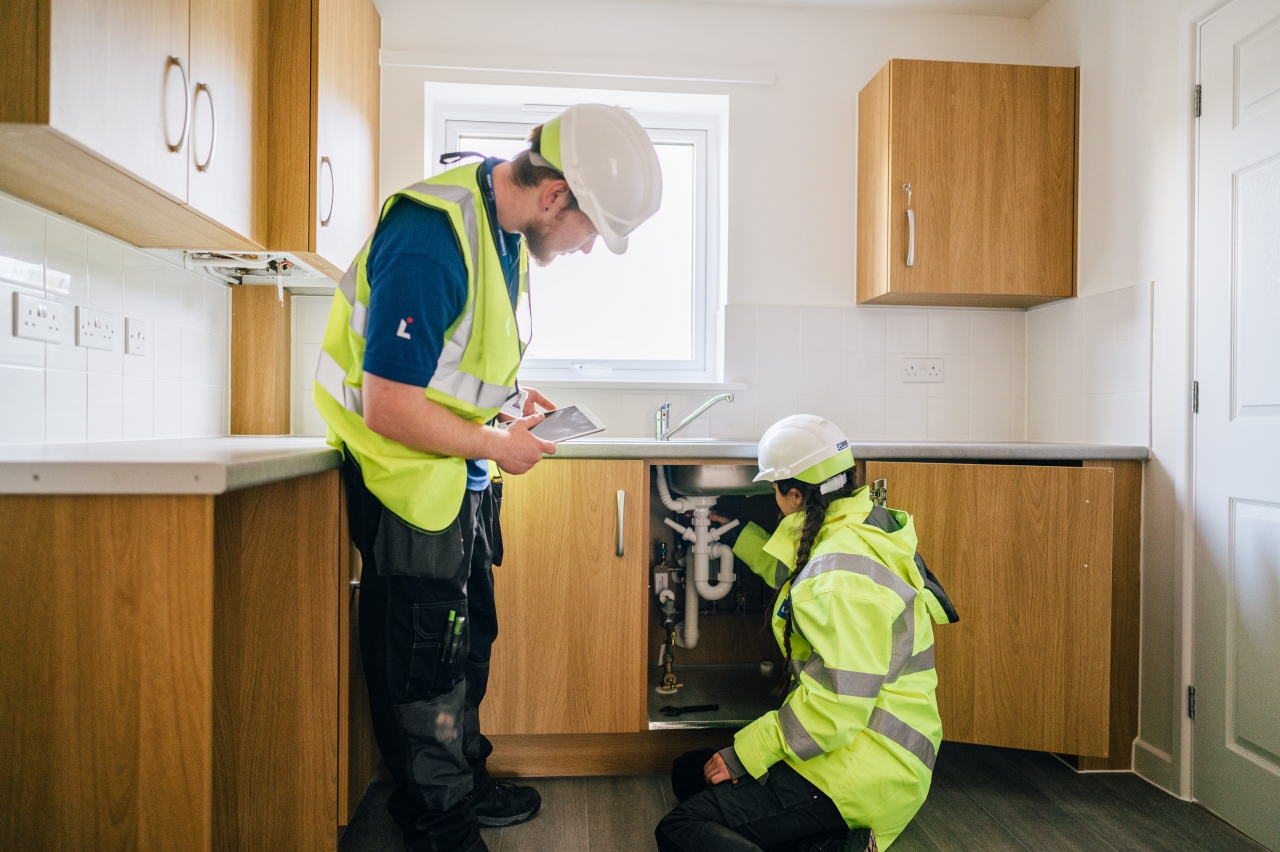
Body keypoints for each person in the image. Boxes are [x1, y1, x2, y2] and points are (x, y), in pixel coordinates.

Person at [314, 104, 663, 852]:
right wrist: (499, 446)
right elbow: (389, 405)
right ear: (556, 195)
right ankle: (438, 824)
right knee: (426, 669)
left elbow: (450, 362)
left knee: (467, 643)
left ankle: (463, 785)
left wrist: (509, 404)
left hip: (454, 478)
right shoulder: (429, 238)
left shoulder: (499, 232)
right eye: (592, 230)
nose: (588, 248)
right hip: (405, 484)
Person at [655, 415, 958, 852]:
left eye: (774, 490)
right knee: (689, 772)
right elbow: (789, 570)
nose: (772, 498)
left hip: (863, 766)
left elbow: (838, 705)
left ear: (795, 494)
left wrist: (746, 754)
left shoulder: (838, 579)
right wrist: (736, 532)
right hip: (864, 743)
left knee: (680, 830)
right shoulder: (856, 526)